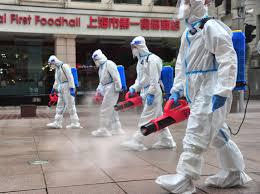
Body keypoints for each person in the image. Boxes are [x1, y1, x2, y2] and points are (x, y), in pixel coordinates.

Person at [155, 0, 252, 193]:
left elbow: (228, 59)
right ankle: (234, 173)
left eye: (189, 2)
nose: (184, 6)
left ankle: (185, 179)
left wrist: (223, 89)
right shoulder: (187, 34)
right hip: (196, 90)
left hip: (211, 89)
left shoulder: (212, 27)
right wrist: (177, 89)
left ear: (198, 4)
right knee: (218, 135)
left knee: (195, 132)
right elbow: (182, 65)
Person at [121, 36, 176, 151]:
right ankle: (167, 140)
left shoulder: (152, 59)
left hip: (154, 92)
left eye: (134, 47)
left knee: (145, 118)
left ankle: (137, 141)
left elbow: (154, 80)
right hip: (146, 92)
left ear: (140, 47)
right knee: (159, 118)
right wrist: (134, 88)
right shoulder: (141, 61)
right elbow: (140, 80)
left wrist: (151, 93)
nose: (133, 50)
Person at [91, 49, 125, 137]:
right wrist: (98, 92)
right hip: (107, 88)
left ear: (98, 58)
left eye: (95, 60)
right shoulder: (101, 68)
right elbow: (102, 82)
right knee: (112, 109)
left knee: (105, 109)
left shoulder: (109, 63)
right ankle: (117, 128)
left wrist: (118, 88)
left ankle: (103, 129)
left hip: (112, 88)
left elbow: (116, 77)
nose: (95, 62)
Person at [46, 55, 82, 129]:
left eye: (51, 64)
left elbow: (70, 77)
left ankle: (75, 123)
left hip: (67, 86)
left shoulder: (64, 66)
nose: (51, 66)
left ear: (54, 62)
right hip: (61, 87)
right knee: (60, 105)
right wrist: (54, 89)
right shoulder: (57, 69)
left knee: (70, 105)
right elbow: (57, 80)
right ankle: (57, 123)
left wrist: (72, 88)